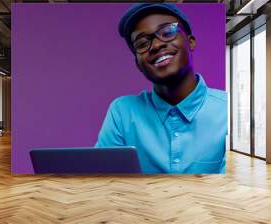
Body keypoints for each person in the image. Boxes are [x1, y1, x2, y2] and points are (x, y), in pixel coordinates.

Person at [95, 3, 227, 174]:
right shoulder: (122, 112)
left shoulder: (226, 110)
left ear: (190, 42)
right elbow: (104, 182)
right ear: (138, 63)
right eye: (142, 43)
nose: (156, 45)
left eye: (167, 32)